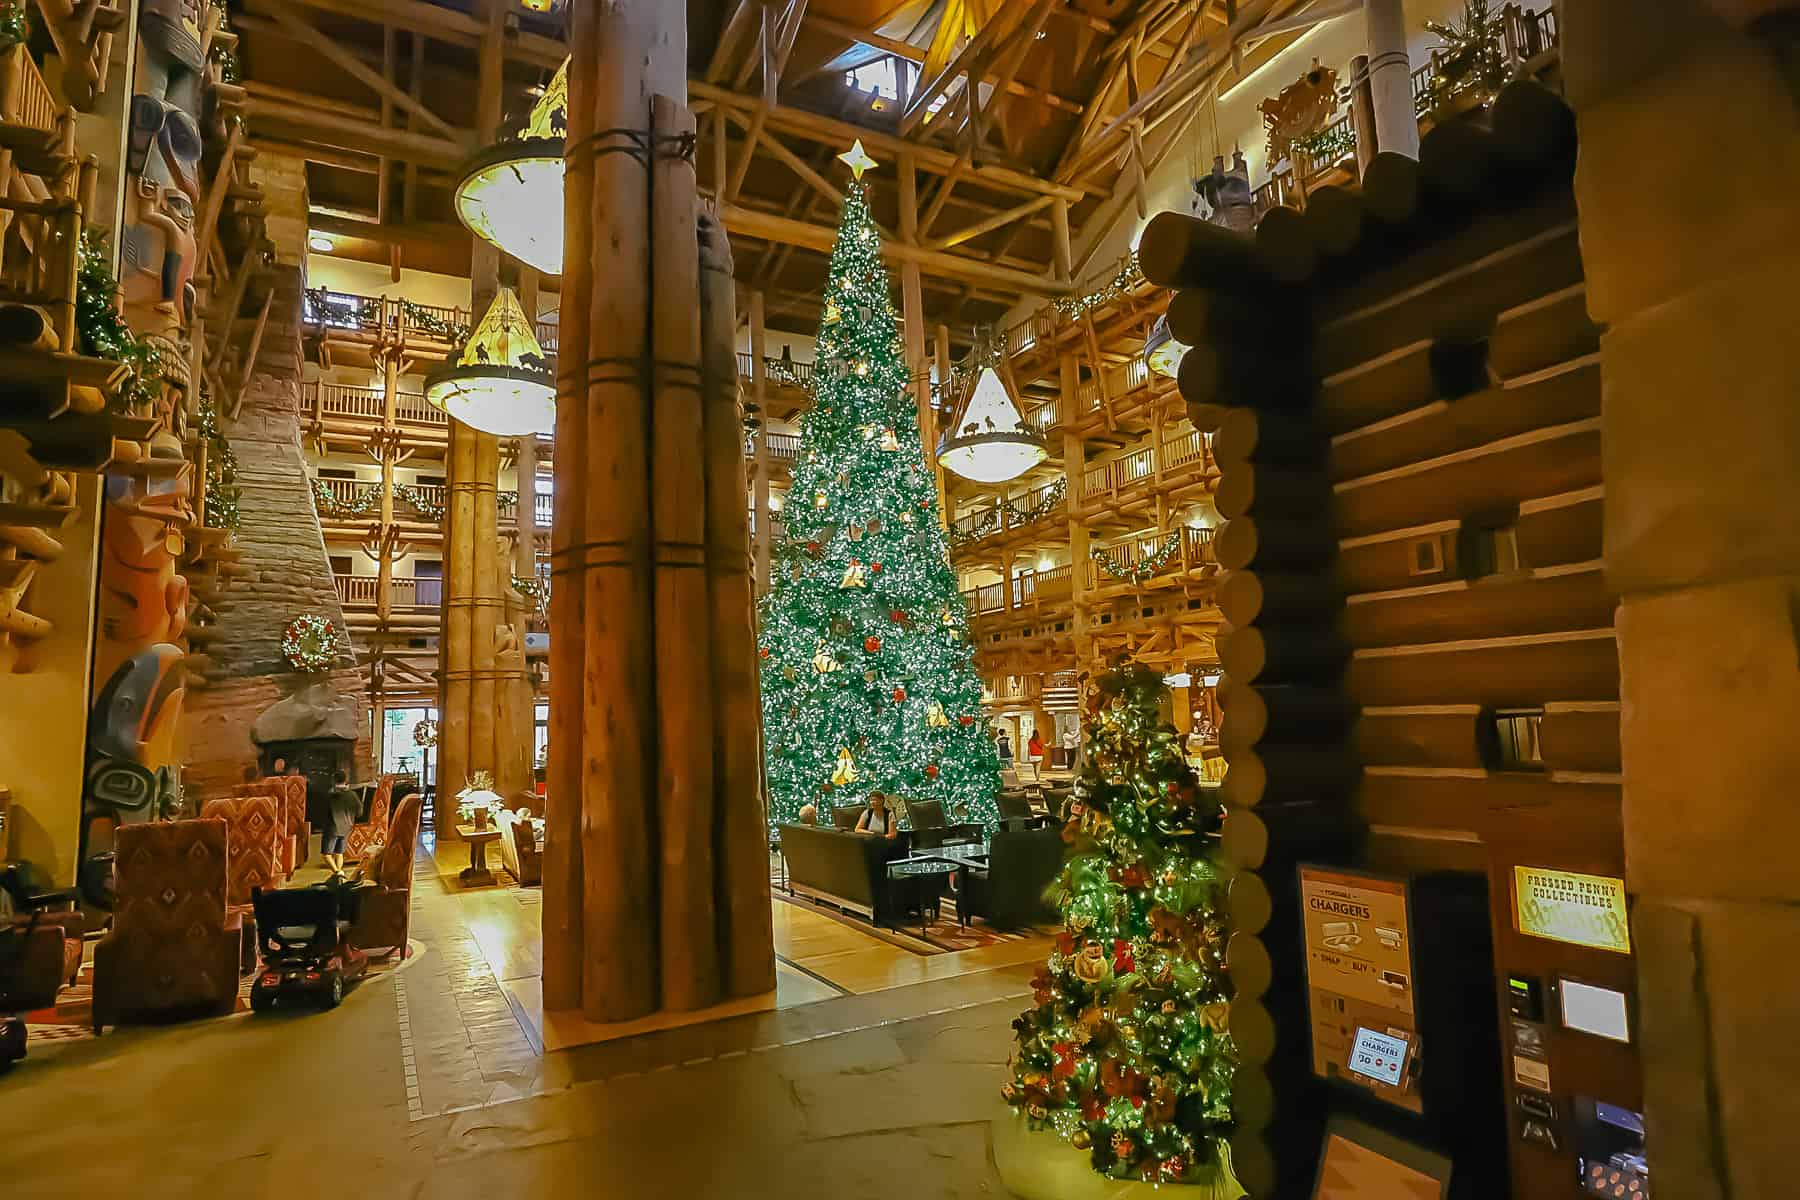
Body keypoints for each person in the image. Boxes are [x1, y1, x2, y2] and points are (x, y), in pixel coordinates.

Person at [321, 769, 360, 877]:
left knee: (326, 854)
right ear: (345, 780)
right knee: (339, 853)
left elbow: (323, 811)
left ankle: (338, 873)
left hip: (332, 827)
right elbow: (359, 812)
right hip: (347, 827)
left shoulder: (331, 795)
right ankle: (339, 875)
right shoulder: (352, 794)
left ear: (333, 780)